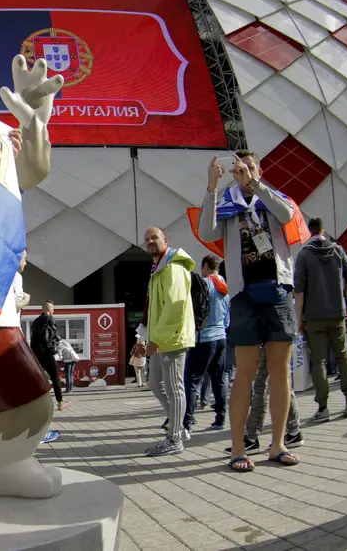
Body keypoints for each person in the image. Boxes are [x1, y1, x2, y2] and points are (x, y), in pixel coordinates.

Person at [200, 151, 300, 472]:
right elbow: (207, 232)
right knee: (244, 373)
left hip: (279, 291)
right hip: (244, 296)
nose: (243, 172)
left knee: (280, 372)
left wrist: (256, 185)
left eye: (250, 167)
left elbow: (287, 216)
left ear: (259, 169)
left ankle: (278, 444)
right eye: (239, 169)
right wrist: (212, 187)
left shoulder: (270, 197)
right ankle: (239, 448)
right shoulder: (228, 204)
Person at [139, 227, 196, 457]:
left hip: (172, 339)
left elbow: (174, 307)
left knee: (174, 389)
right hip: (161, 339)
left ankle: (175, 438)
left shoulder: (173, 267)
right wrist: (144, 338)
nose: (150, 242)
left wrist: (157, 338)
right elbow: (152, 309)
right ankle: (178, 427)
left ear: (166, 240)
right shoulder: (158, 269)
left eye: (154, 237)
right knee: (155, 383)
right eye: (147, 240)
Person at [295, 217, 347, 421]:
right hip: (337, 313)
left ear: (310, 231)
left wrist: (299, 318)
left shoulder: (303, 255)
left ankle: (323, 407)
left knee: (319, 361)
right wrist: (343, 299)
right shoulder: (338, 250)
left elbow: (299, 290)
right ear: (323, 229)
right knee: (343, 356)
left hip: (313, 317)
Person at [183, 255, 230, 433]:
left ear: (206, 266)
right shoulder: (224, 285)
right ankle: (220, 418)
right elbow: (227, 317)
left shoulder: (204, 284)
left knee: (192, 380)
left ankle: (186, 422)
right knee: (219, 379)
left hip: (204, 337)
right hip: (221, 337)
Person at [29, 300, 64, 407]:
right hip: (47, 353)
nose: (54, 311)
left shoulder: (35, 321)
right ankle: (60, 402)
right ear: (49, 310)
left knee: (38, 377)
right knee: (55, 376)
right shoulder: (50, 319)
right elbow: (55, 336)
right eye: (53, 309)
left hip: (36, 353)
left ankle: (34, 401)